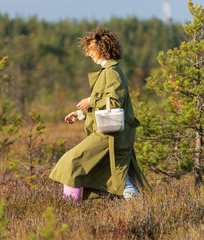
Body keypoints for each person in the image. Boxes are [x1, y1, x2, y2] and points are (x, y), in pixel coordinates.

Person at [49, 27, 150, 201]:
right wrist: (80, 114)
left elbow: (114, 101)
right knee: (117, 177)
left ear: (103, 48)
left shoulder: (111, 72)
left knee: (72, 162)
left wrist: (91, 101)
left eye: (91, 50)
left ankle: (69, 207)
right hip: (111, 135)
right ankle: (140, 207)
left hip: (111, 137)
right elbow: (107, 102)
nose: (89, 54)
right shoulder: (109, 71)